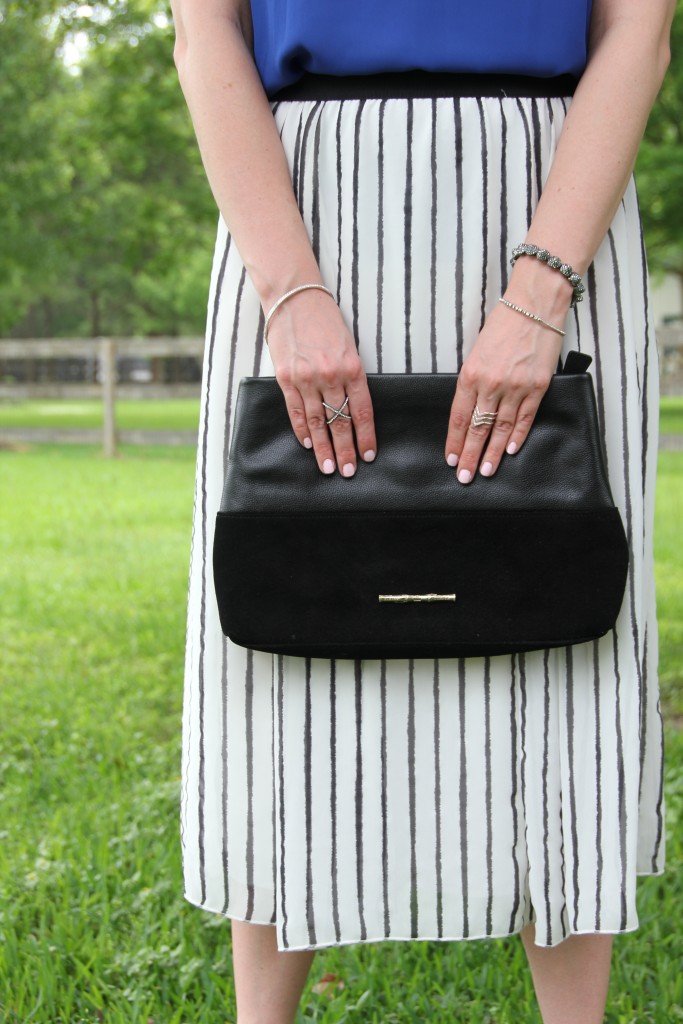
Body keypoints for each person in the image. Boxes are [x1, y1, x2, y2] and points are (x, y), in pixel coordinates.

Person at [171, 1, 673, 1021]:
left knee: (557, 617)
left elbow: (637, 27)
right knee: (285, 618)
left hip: (551, 202)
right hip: (306, 206)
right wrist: (288, 286)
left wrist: (540, 288)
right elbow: (204, 27)